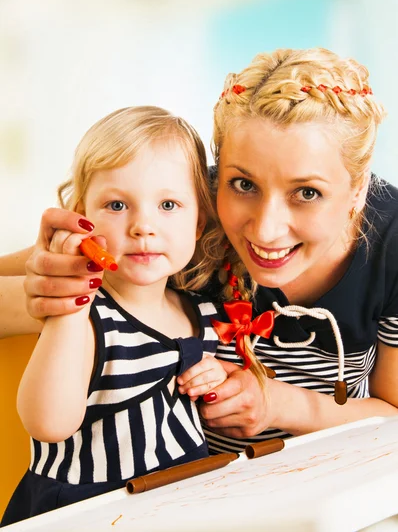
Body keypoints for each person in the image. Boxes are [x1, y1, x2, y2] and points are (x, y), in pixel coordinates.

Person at [2, 47, 398, 457]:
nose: (266, 229)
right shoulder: (172, 213)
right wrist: (50, 286)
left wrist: (278, 404)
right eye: (243, 184)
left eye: (307, 193)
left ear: (358, 189)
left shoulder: (393, 243)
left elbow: (393, 416)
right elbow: (29, 283)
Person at [1, 106, 228, 526]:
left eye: (169, 204)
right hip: (86, 514)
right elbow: (48, 422)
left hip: (180, 506)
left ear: (200, 222)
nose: (143, 225)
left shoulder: (203, 312)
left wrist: (216, 378)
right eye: (118, 204)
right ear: (81, 218)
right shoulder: (87, 317)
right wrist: (72, 302)